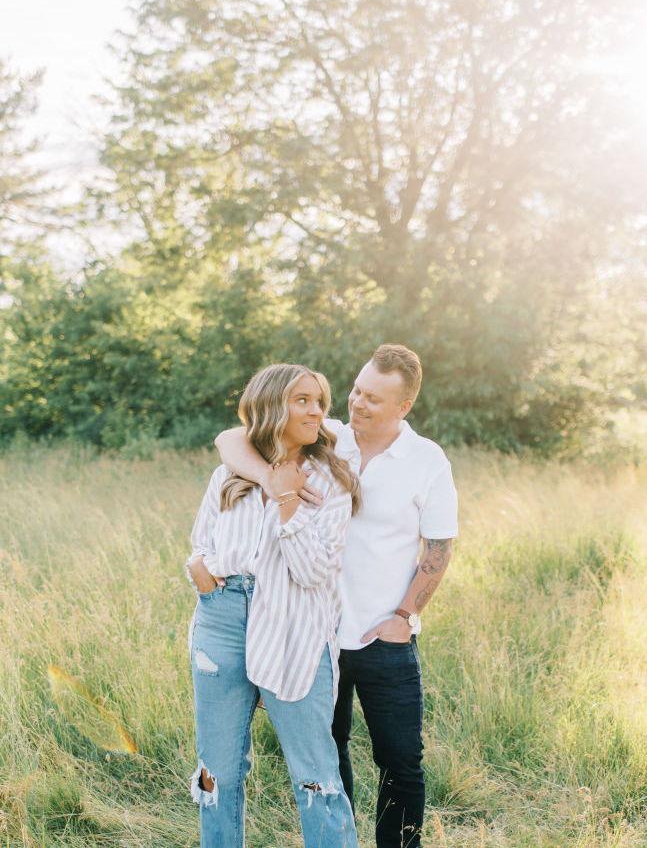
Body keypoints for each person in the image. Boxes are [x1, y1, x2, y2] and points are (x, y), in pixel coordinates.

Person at [216, 345, 458, 848]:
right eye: (356, 390)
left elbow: (438, 546)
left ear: (404, 407)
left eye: (373, 398)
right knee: (329, 754)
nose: (358, 403)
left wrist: (404, 615)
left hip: (382, 636)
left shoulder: (426, 460)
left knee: (401, 760)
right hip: (315, 632)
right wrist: (270, 479)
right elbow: (230, 438)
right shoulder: (327, 437)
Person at [186, 363, 361, 848]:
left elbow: (314, 572)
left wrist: (288, 504)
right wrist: (198, 569)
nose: (316, 411)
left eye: (320, 401)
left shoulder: (331, 480)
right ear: (270, 406)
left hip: (295, 624)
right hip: (221, 620)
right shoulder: (230, 474)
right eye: (302, 400)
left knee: (315, 773)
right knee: (218, 770)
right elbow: (202, 541)